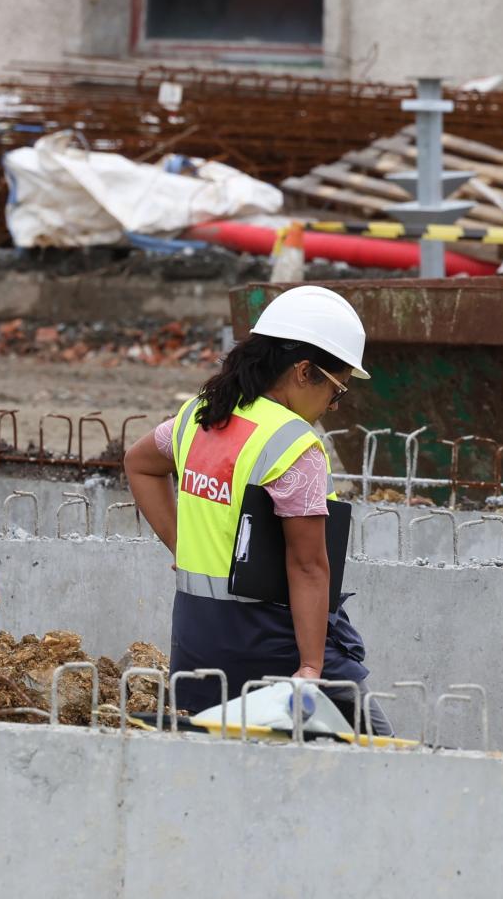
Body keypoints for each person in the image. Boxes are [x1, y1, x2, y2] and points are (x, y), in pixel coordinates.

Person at [123, 285, 390, 735]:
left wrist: (182, 545)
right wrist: (311, 666)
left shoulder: (199, 415)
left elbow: (139, 463)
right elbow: (308, 566)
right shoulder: (292, 444)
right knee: (379, 752)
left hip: (198, 646)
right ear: (304, 372)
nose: (332, 405)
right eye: (337, 389)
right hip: (274, 644)